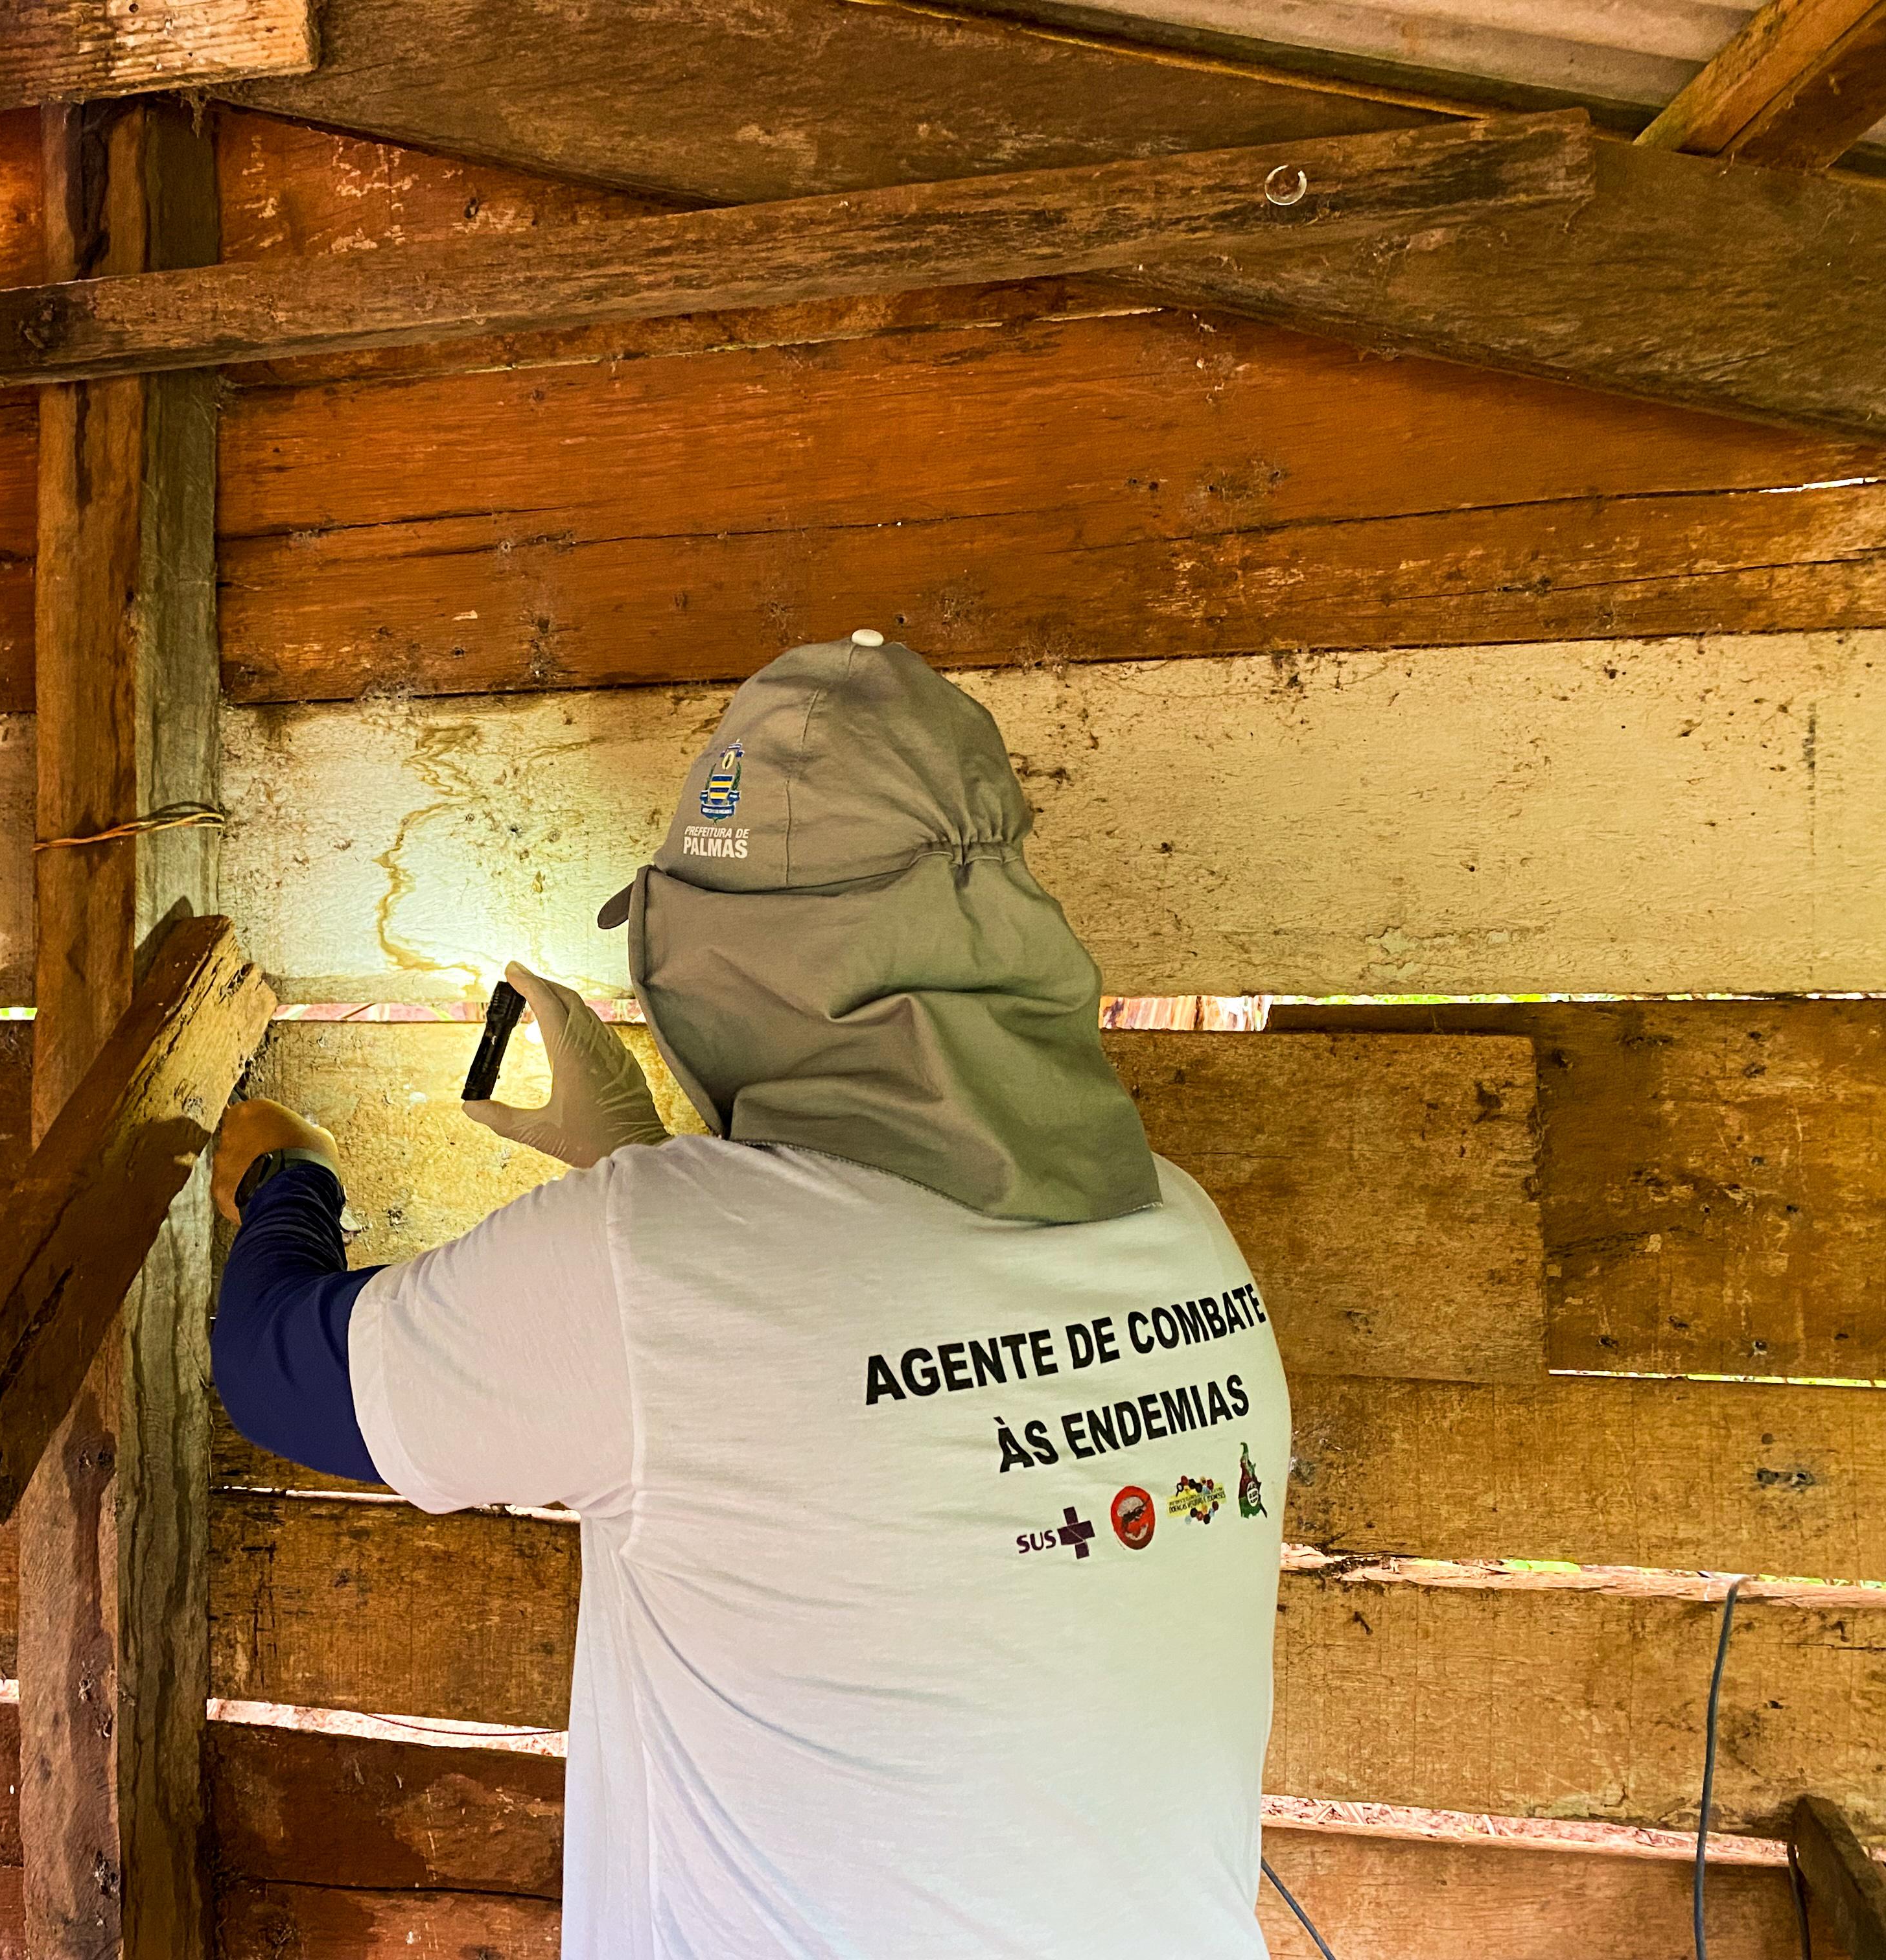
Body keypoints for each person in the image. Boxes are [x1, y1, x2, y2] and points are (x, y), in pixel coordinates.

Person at [211, 633, 1291, 1959]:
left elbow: (276, 1370)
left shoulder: (662, 1261)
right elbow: (825, 1381)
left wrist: (289, 1182)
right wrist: (634, 1169)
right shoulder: (1182, 1225)